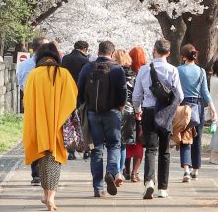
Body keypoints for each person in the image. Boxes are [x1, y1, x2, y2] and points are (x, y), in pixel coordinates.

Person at [22, 41, 78, 212]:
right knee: (54, 158)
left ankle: (46, 195)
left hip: (39, 123)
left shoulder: (34, 75)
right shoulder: (64, 74)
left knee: (43, 158)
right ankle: (50, 197)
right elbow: (72, 98)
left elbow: (27, 100)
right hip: (57, 124)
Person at [77, 40, 128, 196]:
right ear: (112, 54)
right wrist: (120, 106)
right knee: (114, 145)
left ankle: (98, 188)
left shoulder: (87, 67)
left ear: (98, 52)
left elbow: (78, 90)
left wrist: (84, 107)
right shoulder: (117, 70)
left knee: (96, 150)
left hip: (93, 113)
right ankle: (111, 172)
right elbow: (123, 92)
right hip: (113, 112)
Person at [131, 38, 180, 199]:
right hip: (165, 113)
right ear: (169, 53)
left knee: (151, 149)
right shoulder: (172, 70)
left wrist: (138, 110)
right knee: (165, 151)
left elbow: (137, 95)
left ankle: (149, 181)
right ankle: (163, 188)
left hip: (149, 111)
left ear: (154, 50)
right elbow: (180, 95)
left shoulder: (144, 70)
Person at [175, 45, 213, 182]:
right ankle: (195, 170)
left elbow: (175, 90)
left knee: (185, 137)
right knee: (197, 138)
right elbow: (205, 92)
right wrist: (212, 107)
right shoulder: (201, 71)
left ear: (183, 56)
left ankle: (186, 170)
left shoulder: (178, 70)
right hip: (198, 106)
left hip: (183, 106)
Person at [16, 45, 40, 185]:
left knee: (34, 138)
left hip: (30, 105)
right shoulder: (54, 68)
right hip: (44, 108)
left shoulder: (25, 65)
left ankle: (36, 173)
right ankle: (41, 173)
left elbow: (20, 84)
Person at [123, 46, 147, 181]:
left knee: (127, 141)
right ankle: (134, 173)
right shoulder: (146, 72)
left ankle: (126, 170)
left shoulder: (126, 72)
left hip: (127, 110)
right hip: (142, 111)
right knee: (139, 141)